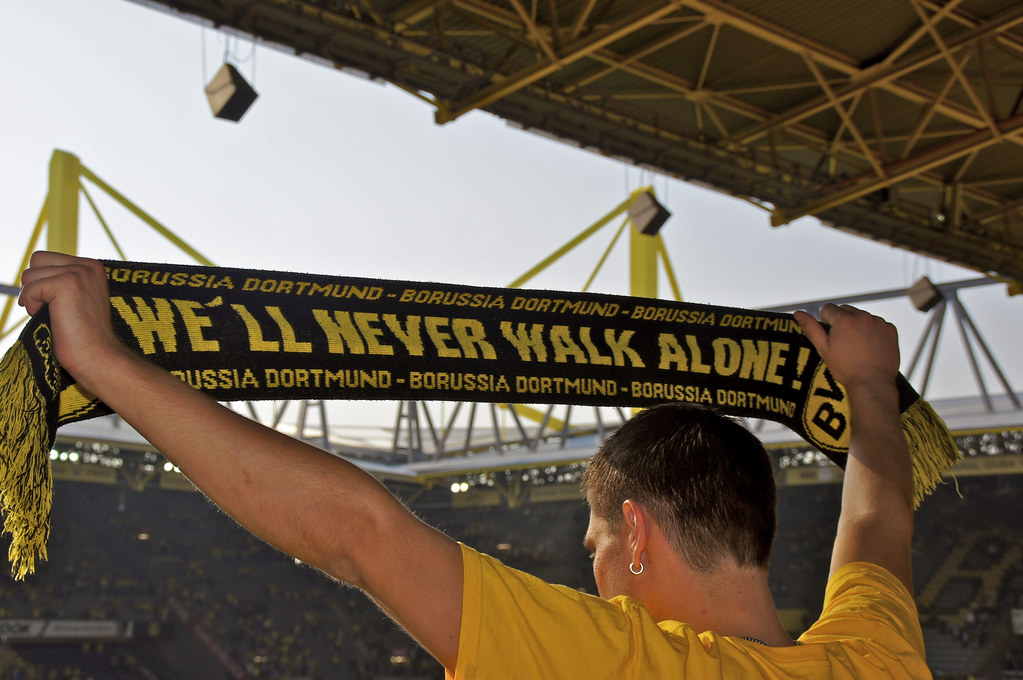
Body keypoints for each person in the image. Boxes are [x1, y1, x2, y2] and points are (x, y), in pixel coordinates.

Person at [18, 251, 930, 678]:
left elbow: (358, 534)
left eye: (596, 541)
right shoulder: (877, 654)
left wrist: (104, 363)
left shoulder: (613, 662)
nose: (596, 564)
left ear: (637, 531)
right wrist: (868, 391)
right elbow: (876, 517)